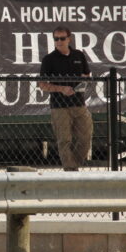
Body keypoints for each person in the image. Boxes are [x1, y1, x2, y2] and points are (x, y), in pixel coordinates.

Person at [38, 26, 93, 171]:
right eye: (56, 39)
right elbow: (42, 85)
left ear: (69, 39)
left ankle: (74, 164)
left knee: (85, 138)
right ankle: (70, 170)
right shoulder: (49, 59)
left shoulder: (78, 55)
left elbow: (87, 75)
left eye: (62, 38)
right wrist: (61, 89)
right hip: (59, 106)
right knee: (64, 140)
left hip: (79, 103)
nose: (59, 41)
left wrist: (83, 81)